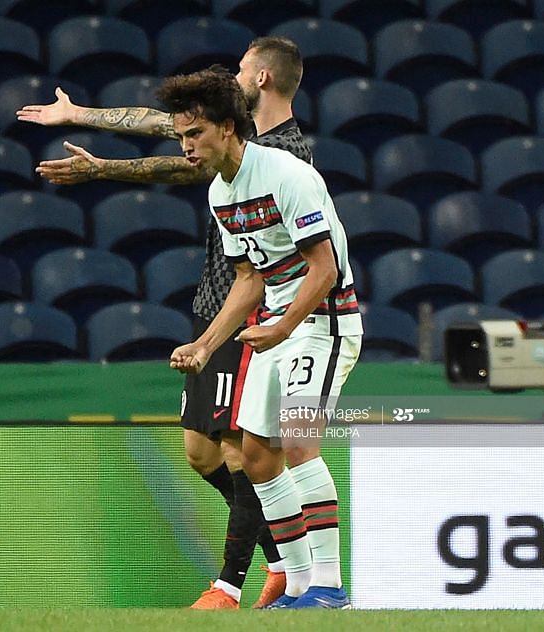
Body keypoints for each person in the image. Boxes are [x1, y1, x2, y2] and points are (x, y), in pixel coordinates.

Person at [17, 38, 312, 609]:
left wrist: (103, 169)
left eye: (243, 69)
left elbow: (183, 164)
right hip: (214, 302)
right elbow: (173, 126)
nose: (234, 74)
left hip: (252, 311)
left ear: (264, 81)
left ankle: (232, 585)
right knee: (201, 455)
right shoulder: (231, 131)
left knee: (238, 451)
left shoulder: (284, 152)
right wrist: (82, 114)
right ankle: (283, 549)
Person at [162, 67, 362, 609]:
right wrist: (206, 343)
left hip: (325, 322)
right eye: (181, 137)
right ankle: (295, 587)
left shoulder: (286, 174)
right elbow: (249, 278)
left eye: (194, 134)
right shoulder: (220, 192)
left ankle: (328, 586)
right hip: (276, 325)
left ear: (227, 127)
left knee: (297, 444)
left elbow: (324, 267)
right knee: (255, 455)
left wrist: (284, 325)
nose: (186, 147)